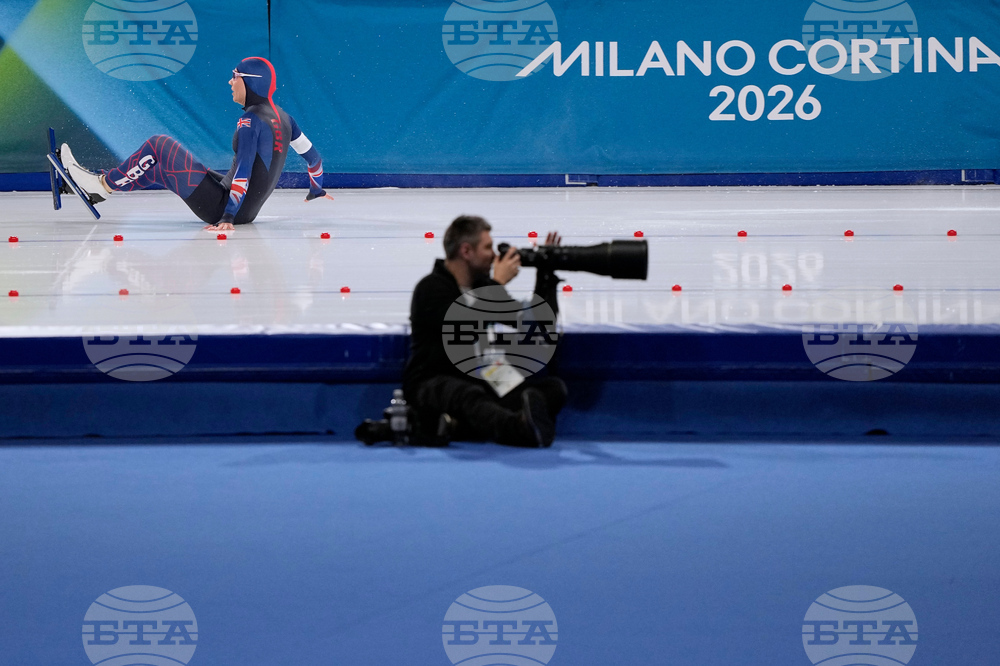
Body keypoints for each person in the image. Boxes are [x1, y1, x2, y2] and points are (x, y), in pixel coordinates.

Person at [59, 56, 333, 231]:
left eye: (235, 76)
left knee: (158, 145)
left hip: (225, 207)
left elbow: (244, 171)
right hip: (244, 210)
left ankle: (100, 186)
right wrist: (316, 189)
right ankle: (100, 187)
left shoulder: (250, 121)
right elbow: (314, 159)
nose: (230, 81)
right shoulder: (285, 118)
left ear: (251, 83)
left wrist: (227, 217)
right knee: (160, 169)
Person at [400, 215, 568, 448]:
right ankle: (519, 430)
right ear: (466, 251)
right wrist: (497, 284)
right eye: (488, 247)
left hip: (480, 372)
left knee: (552, 389)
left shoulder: (482, 286)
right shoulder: (431, 288)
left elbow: (538, 327)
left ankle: (460, 426)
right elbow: (462, 328)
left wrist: (545, 275)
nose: (493, 255)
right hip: (432, 379)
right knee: (468, 395)